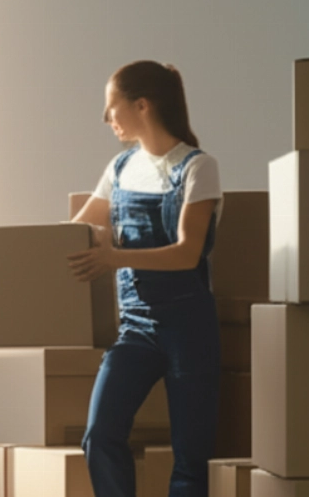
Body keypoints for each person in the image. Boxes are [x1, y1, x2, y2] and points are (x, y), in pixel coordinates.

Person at [68, 60, 223, 497]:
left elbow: (187, 252)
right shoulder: (119, 169)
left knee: (191, 459)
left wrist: (113, 256)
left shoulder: (197, 167)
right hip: (136, 328)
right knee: (100, 435)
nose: (105, 118)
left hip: (188, 327)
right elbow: (76, 232)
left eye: (110, 106)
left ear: (141, 105)